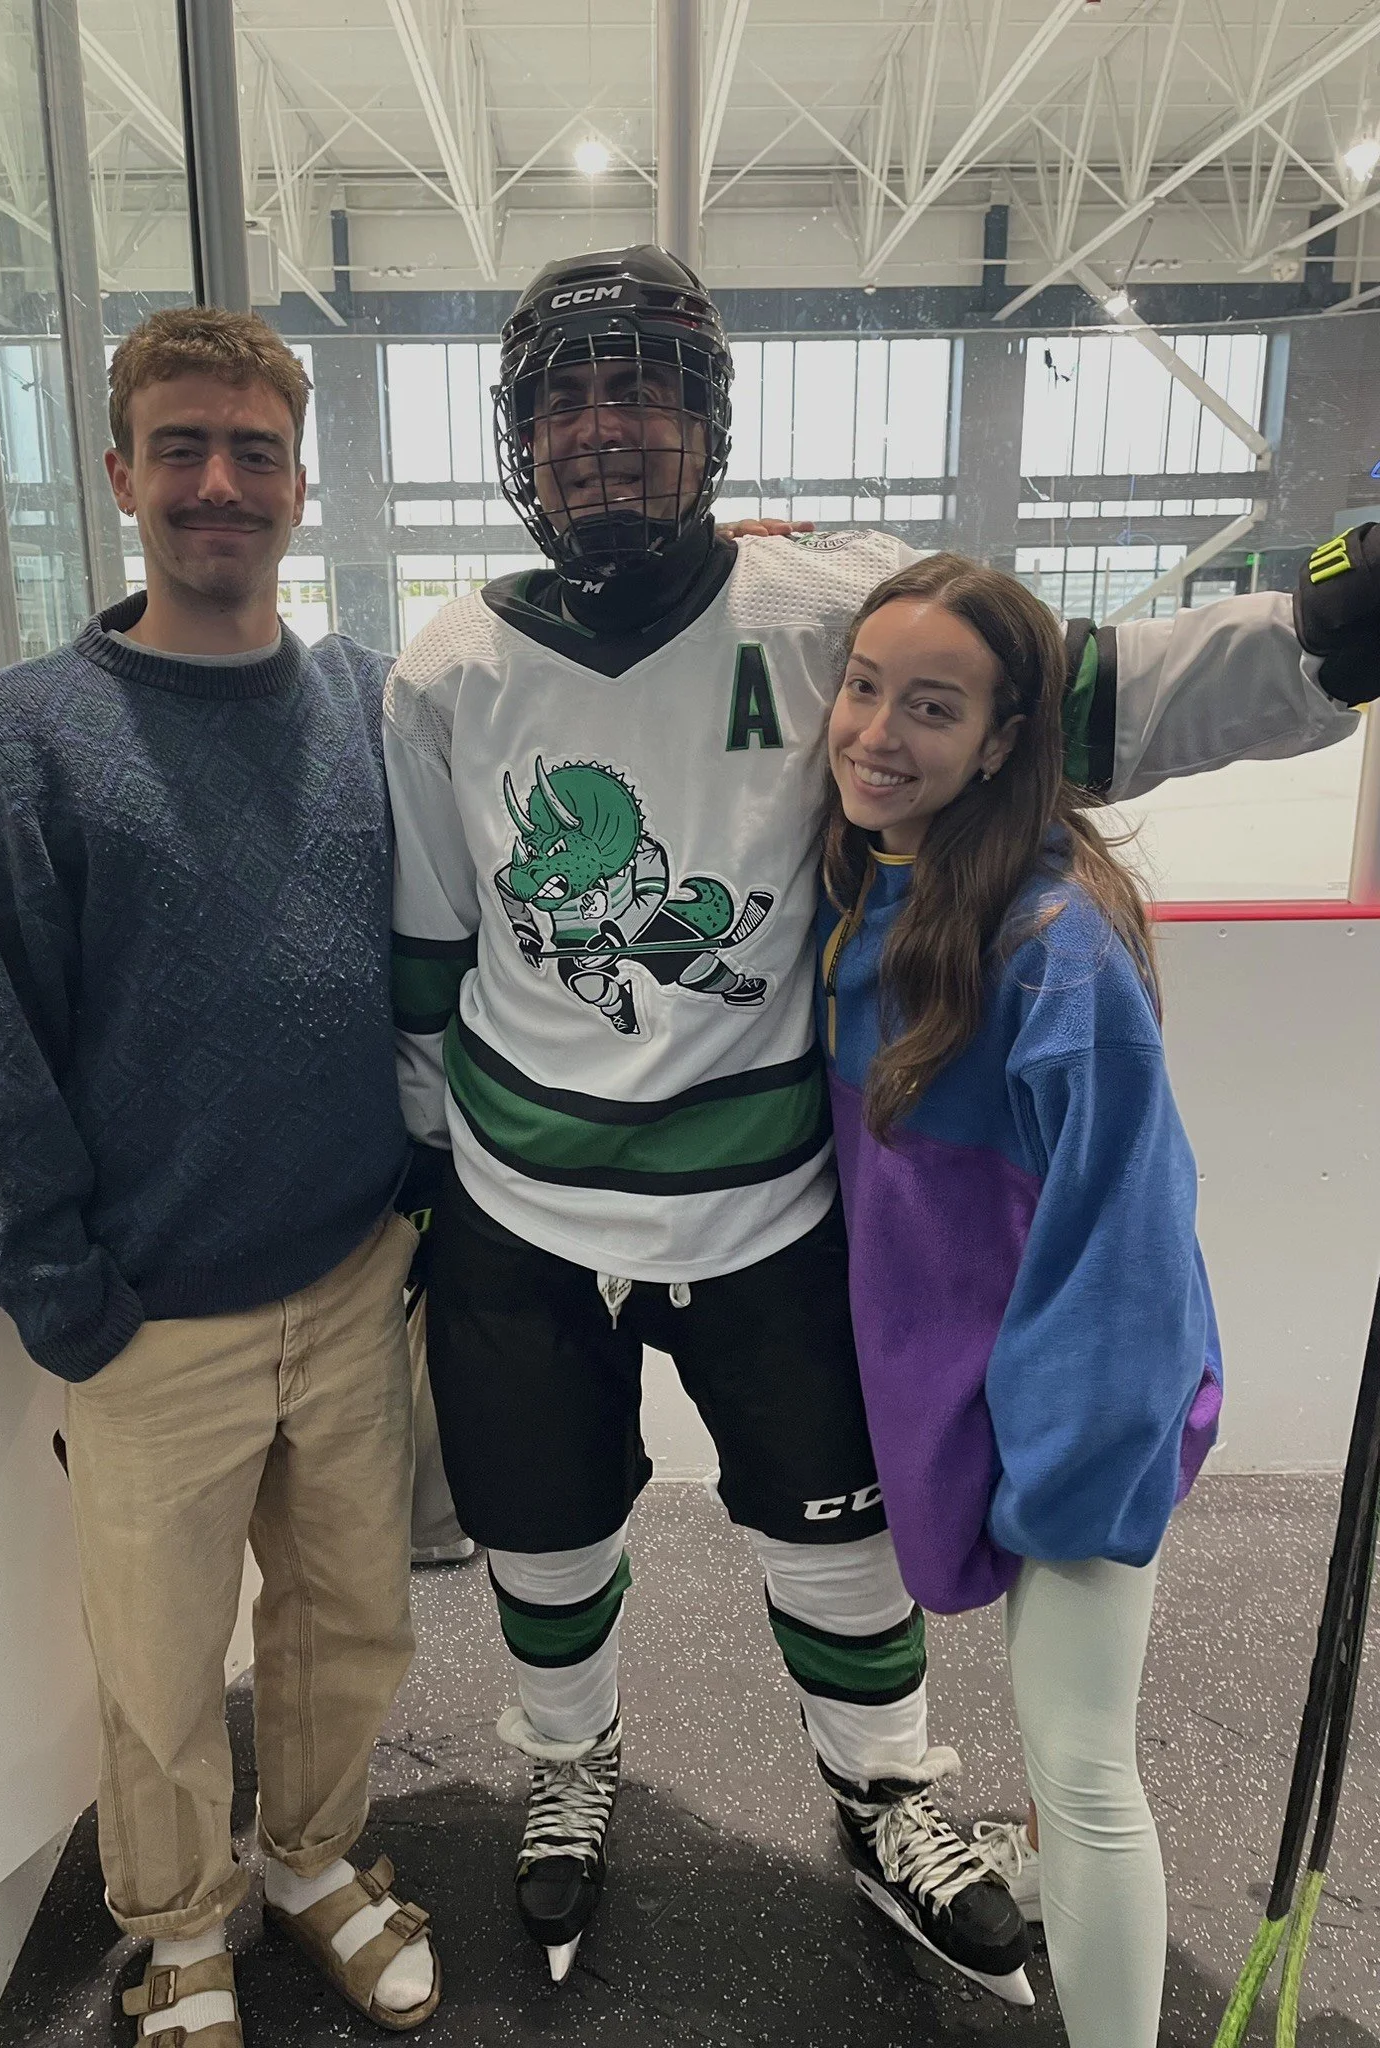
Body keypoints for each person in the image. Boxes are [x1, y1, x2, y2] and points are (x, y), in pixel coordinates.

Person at [383, 243, 1374, 1998]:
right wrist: (422, 1185)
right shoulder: (450, 664)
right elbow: (430, 947)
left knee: (837, 1539)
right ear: (518, 435)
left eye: (642, 391)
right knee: (541, 1534)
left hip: (767, 1203)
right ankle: (568, 1763)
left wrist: (1317, 636)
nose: (604, 427)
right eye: (568, 397)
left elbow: (1085, 695)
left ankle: (886, 1792)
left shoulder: (826, 609)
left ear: (709, 422)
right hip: (523, 1209)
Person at [0, 308, 439, 2043]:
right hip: (152, 1317)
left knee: (351, 1621)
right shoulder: (34, 733)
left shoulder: (366, 703)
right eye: (184, 449)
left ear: (300, 482)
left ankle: (312, 1861)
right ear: (121, 474)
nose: (222, 483)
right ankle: (180, 1929)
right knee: (156, 1671)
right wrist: (67, 1297)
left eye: (255, 452)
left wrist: (417, 1210)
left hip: (351, 1276)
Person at [818, 550, 1221, 2045]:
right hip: (978, 1391)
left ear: (1003, 742)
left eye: (932, 706)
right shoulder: (873, 885)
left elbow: (1127, 1254)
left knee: (1084, 1765)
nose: (877, 732)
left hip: (1079, 1415)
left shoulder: (1054, 952)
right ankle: (1049, 1879)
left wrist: (1065, 1473)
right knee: (1056, 1743)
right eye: (863, 687)